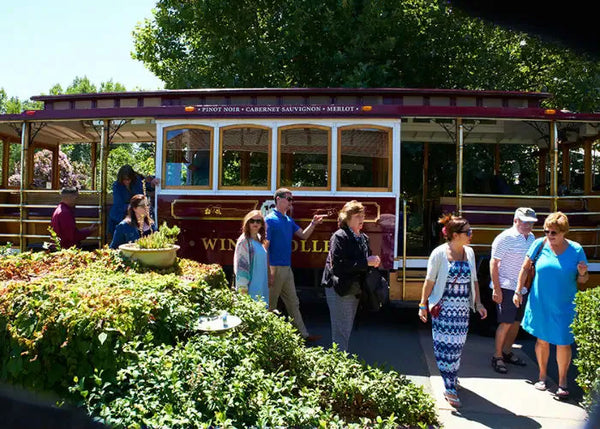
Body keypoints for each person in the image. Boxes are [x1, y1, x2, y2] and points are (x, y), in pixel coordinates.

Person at [513, 211, 588, 400]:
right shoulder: (539, 244)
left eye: (553, 232)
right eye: (547, 231)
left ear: (564, 232)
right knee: (542, 340)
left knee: (563, 343)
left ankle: (562, 381)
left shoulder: (576, 249)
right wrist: (517, 290)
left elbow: (583, 280)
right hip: (541, 302)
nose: (549, 235)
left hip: (565, 304)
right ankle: (542, 376)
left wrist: (582, 273)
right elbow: (524, 268)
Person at [418, 214, 487, 408]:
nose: (471, 235)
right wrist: (423, 305)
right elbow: (429, 281)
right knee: (445, 348)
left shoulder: (470, 253)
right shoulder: (439, 253)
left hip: (462, 311)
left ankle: (451, 376)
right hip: (443, 309)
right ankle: (449, 386)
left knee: (456, 348)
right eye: (468, 232)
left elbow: (474, 280)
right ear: (456, 235)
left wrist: (479, 304)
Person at [265, 188, 325, 342]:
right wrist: (268, 271)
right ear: (278, 199)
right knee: (270, 306)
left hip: (286, 268)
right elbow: (265, 247)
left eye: (292, 199)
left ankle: (303, 335)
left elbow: (304, 236)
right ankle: (266, 339)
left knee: (293, 303)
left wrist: (313, 223)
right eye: (288, 199)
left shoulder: (288, 220)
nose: (291, 202)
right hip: (274, 268)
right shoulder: (269, 220)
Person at [321, 200, 380, 351]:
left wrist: (373, 262)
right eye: (357, 216)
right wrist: (366, 262)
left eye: (363, 215)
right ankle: (339, 368)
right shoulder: (340, 236)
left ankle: (340, 365)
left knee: (345, 330)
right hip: (340, 288)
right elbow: (339, 265)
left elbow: (365, 261)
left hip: (354, 288)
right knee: (341, 332)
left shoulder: (363, 238)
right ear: (347, 219)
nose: (362, 219)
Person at [490, 207, 538, 374]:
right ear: (515, 220)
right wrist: (496, 289)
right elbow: (494, 264)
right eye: (524, 222)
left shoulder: (531, 238)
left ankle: (507, 352)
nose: (528, 226)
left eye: (531, 223)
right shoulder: (505, 238)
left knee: (516, 322)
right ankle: (497, 357)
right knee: (506, 322)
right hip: (506, 286)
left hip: (522, 288)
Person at [108, 165, 159, 236]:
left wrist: (152, 183)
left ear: (132, 177)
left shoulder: (137, 181)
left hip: (137, 212)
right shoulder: (116, 185)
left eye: (128, 179)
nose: (127, 181)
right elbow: (119, 204)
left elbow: (147, 186)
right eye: (124, 179)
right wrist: (135, 207)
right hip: (120, 214)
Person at [233, 210, 269, 305]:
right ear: (247, 223)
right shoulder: (244, 241)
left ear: (262, 224)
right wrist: (243, 294)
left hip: (261, 288)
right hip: (251, 292)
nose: (255, 223)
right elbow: (241, 269)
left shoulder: (259, 238)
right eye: (252, 221)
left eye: (258, 221)